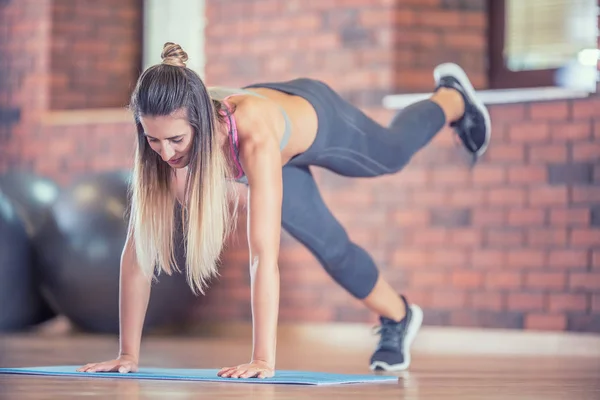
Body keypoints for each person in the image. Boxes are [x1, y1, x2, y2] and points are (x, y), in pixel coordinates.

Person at [77, 42, 491, 378]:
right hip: (277, 160)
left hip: (314, 120)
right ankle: (399, 316)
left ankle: (451, 97)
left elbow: (263, 257)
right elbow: (137, 256)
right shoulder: (161, 147)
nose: (165, 152)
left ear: (200, 124)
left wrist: (262, 360)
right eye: (153, 140)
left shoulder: (252, 135)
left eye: (176, 141)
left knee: (392, 155)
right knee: (332, 249)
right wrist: (126, 354)